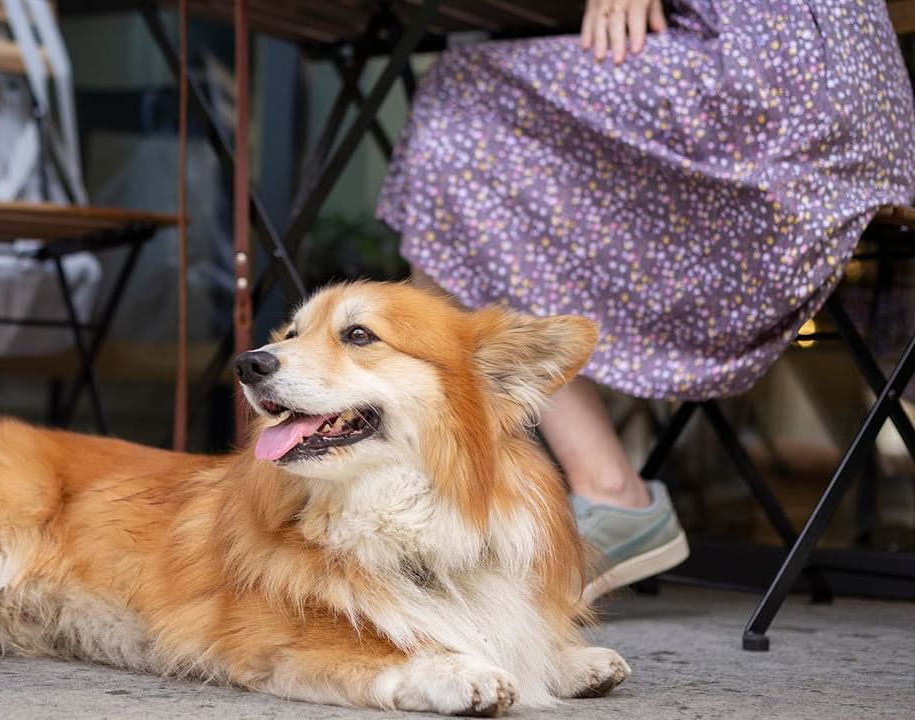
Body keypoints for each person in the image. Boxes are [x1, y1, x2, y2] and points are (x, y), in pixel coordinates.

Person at [379, 0, 915, 599]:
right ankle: (482, 497)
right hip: (828, 91)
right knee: (470, 157)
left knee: (462, 107)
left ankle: (550, 493)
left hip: (785, 84)